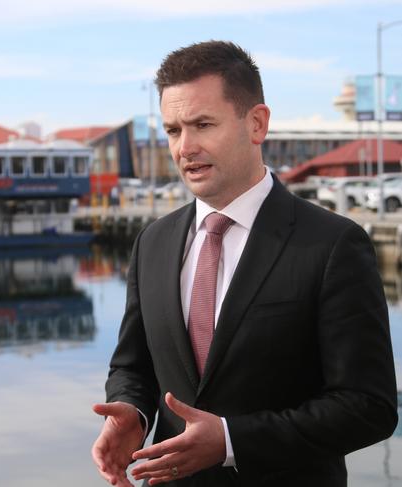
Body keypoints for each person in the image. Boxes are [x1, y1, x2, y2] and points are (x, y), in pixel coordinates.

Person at [91, 40, 398, 487]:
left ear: (256, 124)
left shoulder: (333, 244)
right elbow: (132, 366)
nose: (185, 147)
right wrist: (132, 412)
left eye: (202, 124)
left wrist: (232, 440)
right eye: (174, 130)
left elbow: (368, 408)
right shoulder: (152, 243)